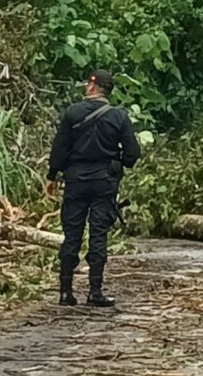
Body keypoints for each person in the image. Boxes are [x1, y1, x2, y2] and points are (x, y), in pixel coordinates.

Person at [47, 70, 141, 307]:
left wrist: (52, 176)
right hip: (104, 182)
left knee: (72, 234)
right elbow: (133, 152)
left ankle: (65, 291)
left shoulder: (73, 112)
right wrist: (118, 163)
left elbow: (60, 147)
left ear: (91, 87)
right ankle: (95, 291)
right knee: (98, 234)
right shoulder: (119, 117)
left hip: (76, 181)